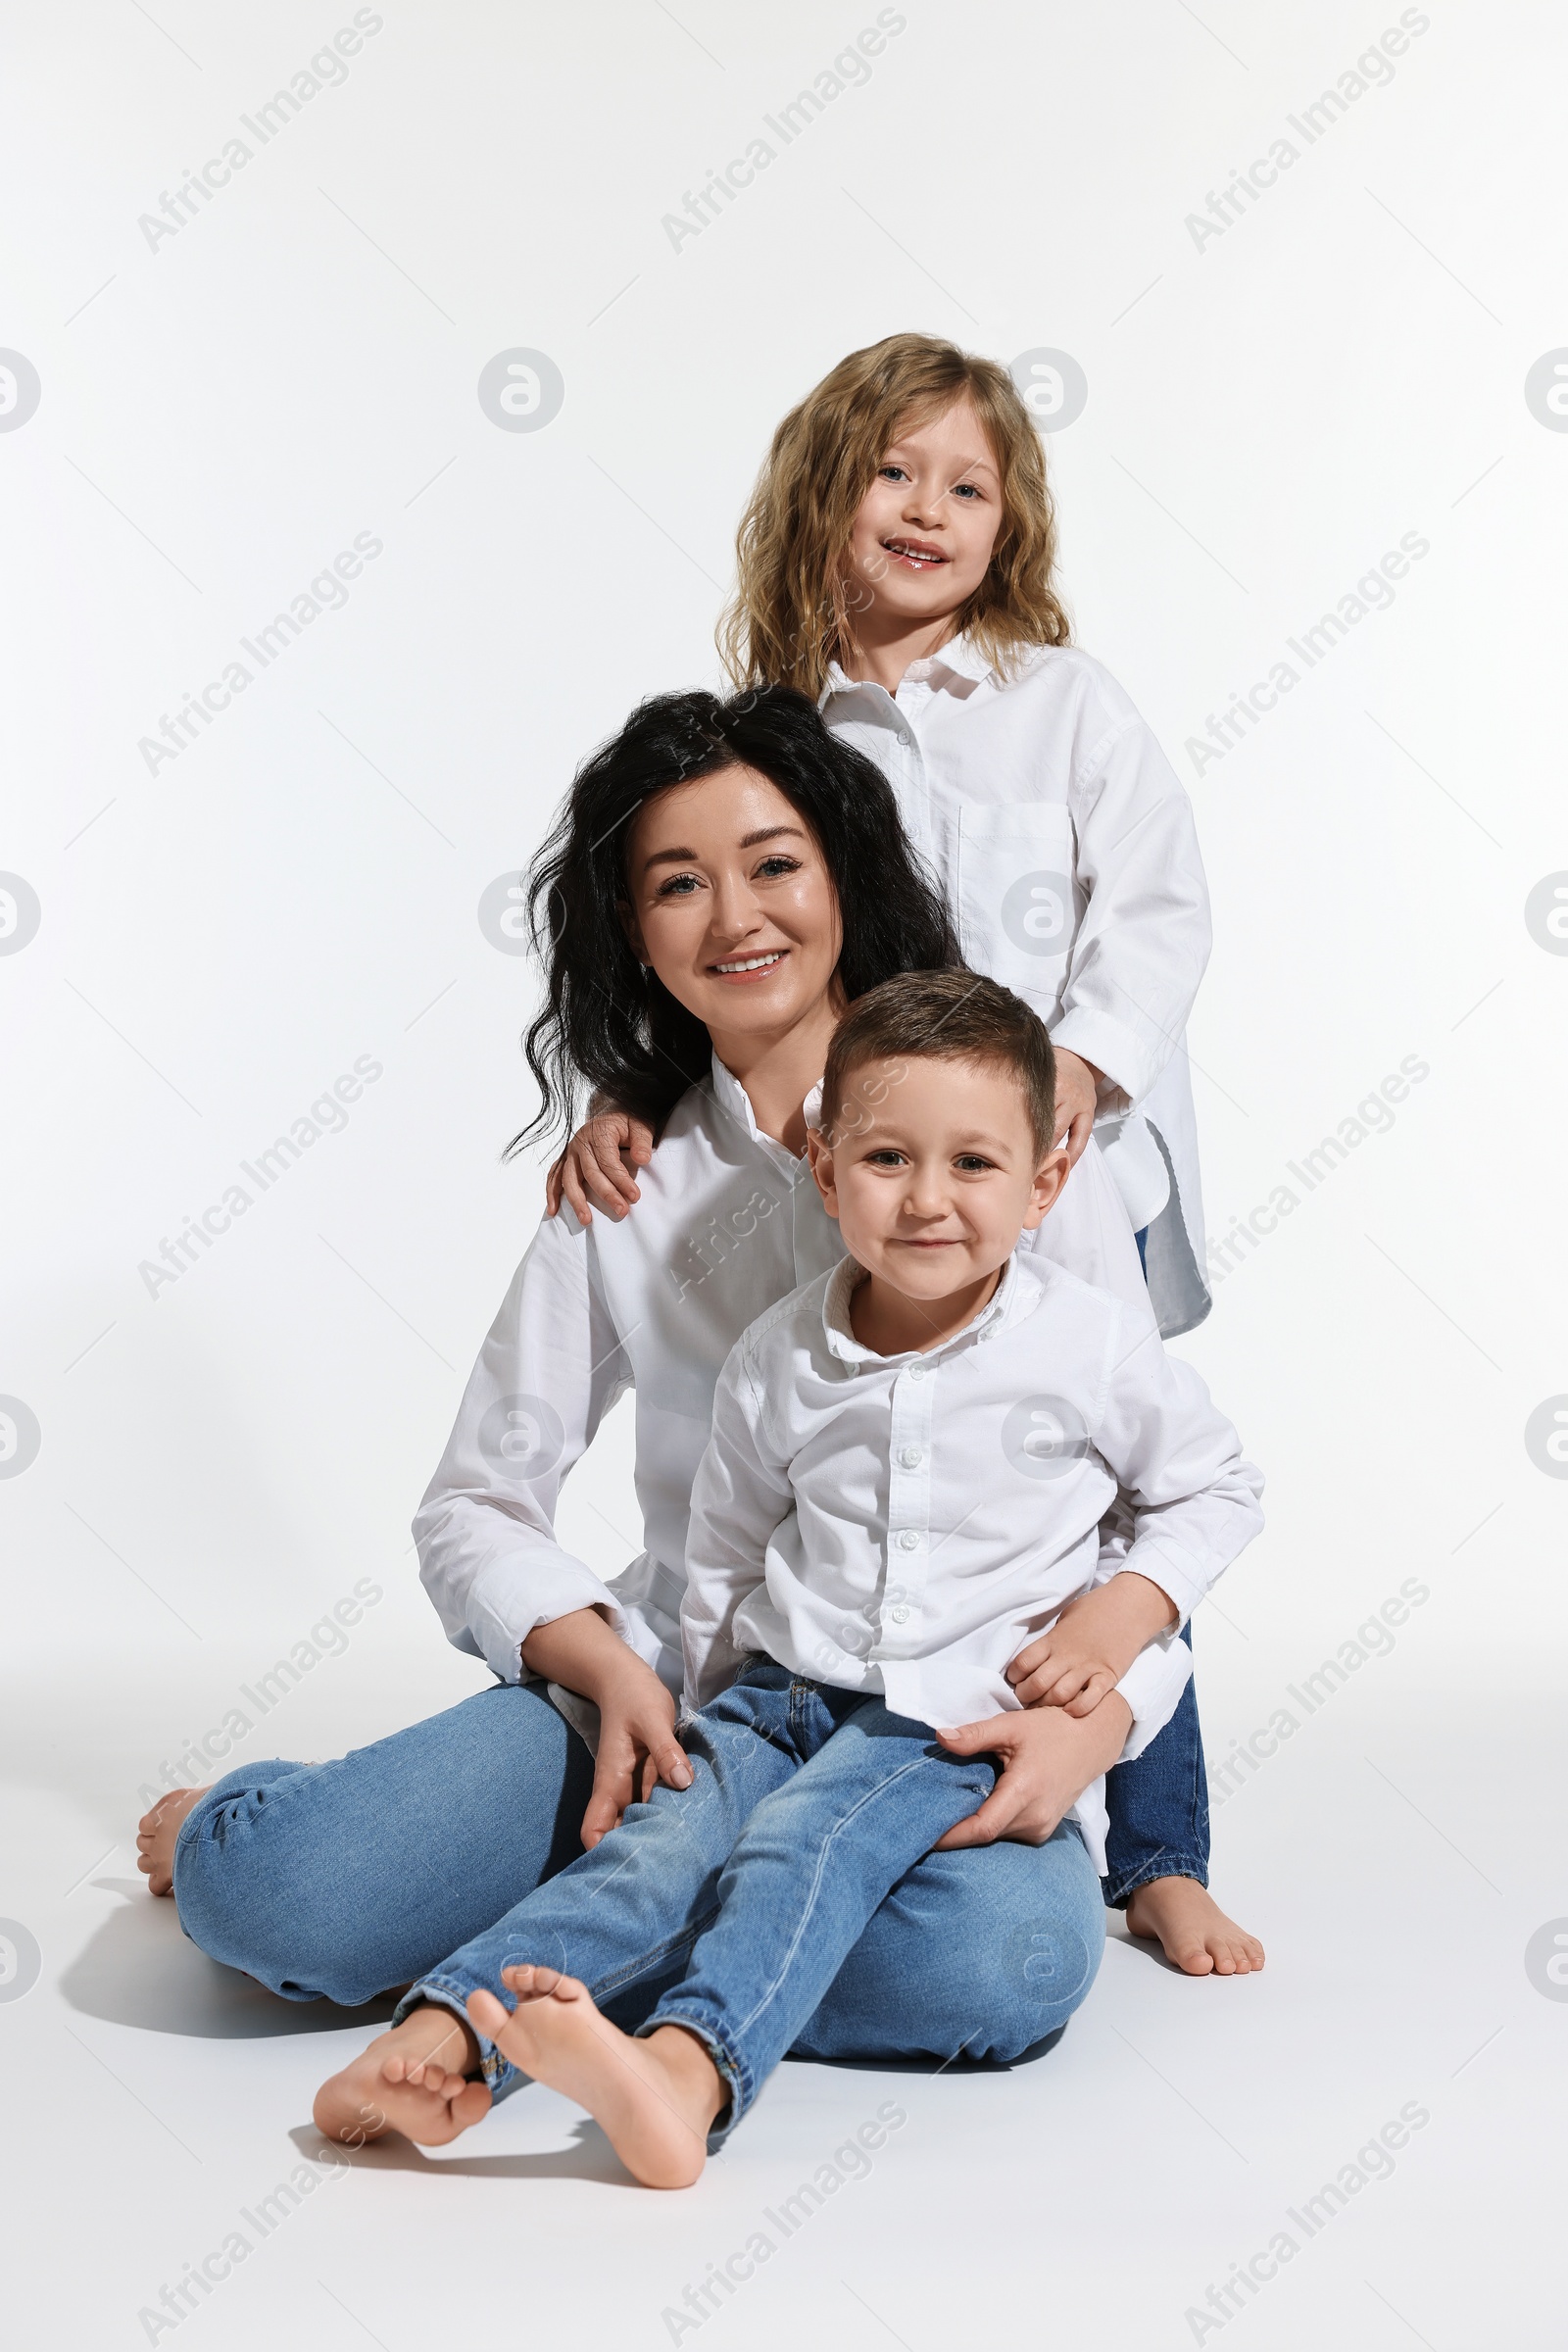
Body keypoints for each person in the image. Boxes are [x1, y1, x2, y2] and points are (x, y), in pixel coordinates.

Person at [137, 688, 1151, 2050]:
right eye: (681, 884)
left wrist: (1106, 1720)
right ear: (635, 927)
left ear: (843, 872)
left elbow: (1156, 1501)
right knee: (283, 1899)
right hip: (675, 1710)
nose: (737, 919)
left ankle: (547, 1936)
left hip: (935, 1732)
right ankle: (304, 1835)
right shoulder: (626, 1183)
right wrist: (605, 1667)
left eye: (775, 864)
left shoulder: (1004, 1134)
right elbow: (474, 1505)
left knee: (1003, 1962)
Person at [547, 336, 1258, 1976]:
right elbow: (743, 941)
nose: (929, 509)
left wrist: (1084, 1062)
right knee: (899, 1439)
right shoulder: (785, 728)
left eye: (969, 485)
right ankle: (835, 1750)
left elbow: (1162, 908)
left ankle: (1158, 1848)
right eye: (893, 474)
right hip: (886, 1176)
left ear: (1012, 522)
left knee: (1115, 1470)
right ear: (821, 497)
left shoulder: (1061, 703)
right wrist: (638, 1092)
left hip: (1058, 1155)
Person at [313, 972, 1262, 2181]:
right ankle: (446, 2038)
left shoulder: (1088, 1340)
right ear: (825, 1171)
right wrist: (703, 1716)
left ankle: (684, 2072)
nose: (927, 1200)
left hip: (942, 1715)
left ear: (1045, 1185)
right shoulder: (780, 1353)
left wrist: (1125, 1612)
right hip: (773, 1692)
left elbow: (1216, 1487)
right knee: (655, 1849)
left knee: (803, 1845)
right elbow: (723, 1547)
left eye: (973, 1166)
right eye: (885, 1160)